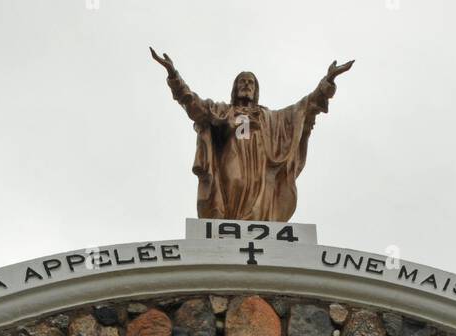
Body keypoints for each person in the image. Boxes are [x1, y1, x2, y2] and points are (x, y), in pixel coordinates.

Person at [150, 50, 354, 221]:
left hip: (260, 162)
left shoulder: (268, 117)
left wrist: (327, 82)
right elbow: (192, 102)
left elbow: (305, 106)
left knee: (259, 195)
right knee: (235, 180)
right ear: (235, 88)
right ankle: (231, 224)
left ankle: (253, 230)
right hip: (233, 155)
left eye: (250, 83)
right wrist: (173, 76)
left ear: (256, 90)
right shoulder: (222, 110)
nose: (246, 85)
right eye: (242, 82)